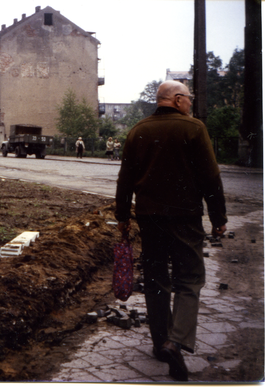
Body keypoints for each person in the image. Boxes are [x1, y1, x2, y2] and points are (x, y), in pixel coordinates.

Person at [115, 80, 227, 381]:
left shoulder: (138, 130)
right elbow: (211, 178)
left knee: (155, 279)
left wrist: (122, 217)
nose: (190, 103)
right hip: (185, 219)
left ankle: (158, 343)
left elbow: (125, 179)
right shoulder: (193, 129)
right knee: (189, 279)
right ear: (177, 100)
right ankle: (176, 342)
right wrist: (218, 217)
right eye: (188, 98)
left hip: (149, 219)